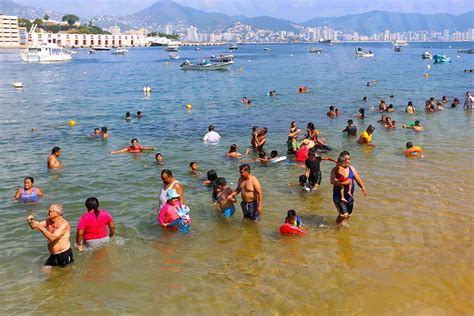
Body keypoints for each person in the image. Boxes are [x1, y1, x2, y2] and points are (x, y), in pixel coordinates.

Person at [330, 151, 367, 226]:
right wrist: (345, 183)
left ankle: (342, 228)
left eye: (349, 159)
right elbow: (332, 181)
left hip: (349, 196)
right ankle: (336, 226)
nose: (348, 161)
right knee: (344, 214)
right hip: (338, 197)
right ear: (341, 160)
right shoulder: (335, 169)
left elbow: (357, 179)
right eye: (346, 159)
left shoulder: (352, 169)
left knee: (348, 215)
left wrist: (363, 187)